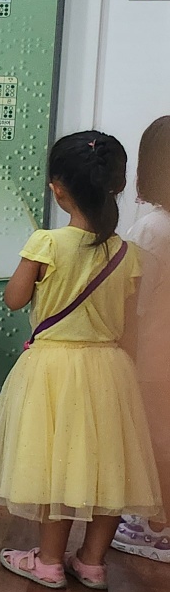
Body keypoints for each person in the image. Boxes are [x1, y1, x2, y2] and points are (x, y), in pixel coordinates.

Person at [0, 131, 161, 589]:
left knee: (54, 465)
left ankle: (47, 562)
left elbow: (14, 299)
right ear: (117, 186)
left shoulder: (46, 243)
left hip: (53, 370)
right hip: (110, 369)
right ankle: (92, 563)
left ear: (57, 188)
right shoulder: (128, 253)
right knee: (111, 468)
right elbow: (129, 329)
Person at [114, 117, 170, 560]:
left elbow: (134, 301)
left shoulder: (153, 229)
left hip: (154, 355)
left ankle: (156, 527)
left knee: (156, 440)